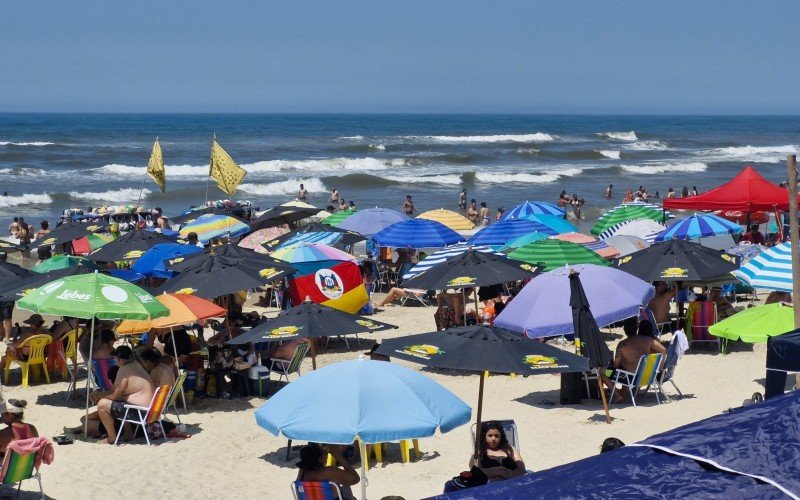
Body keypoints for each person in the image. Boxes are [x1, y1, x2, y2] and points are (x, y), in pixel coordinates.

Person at [78, 345, 155, 443]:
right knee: (120, 401)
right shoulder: (136, 365)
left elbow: (113, 395)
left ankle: (111, 438)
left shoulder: (124, 369)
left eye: (115, 359)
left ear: (118, 359)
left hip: (141, 413)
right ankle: (128, 434)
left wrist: (98, 395)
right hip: (151, 411)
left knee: (102, 404)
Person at [601, 318, 667, 403]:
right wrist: (660, 366)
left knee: (602, 371)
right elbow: (663, 350)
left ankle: (617, 396)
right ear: (637, 328)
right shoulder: (648, 340)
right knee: (626, 368)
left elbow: (616, 366)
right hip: (646, 376)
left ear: (624, 330)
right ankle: (621, 392)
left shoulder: (622, 344)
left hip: (630, 378)